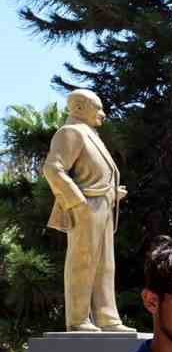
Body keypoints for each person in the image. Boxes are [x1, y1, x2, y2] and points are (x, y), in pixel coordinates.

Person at [42, 89, 130, 332]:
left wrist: (111, 194)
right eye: (97, 107)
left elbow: (93, 174)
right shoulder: (70, 132)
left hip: (103, 205)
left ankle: (107, 318)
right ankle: (79, 319)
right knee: (83, 262)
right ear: (79, 107)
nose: (102, 113)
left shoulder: (90, 133)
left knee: (104, 264)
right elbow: (53, 168)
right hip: (85, 206)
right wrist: (77, 202)